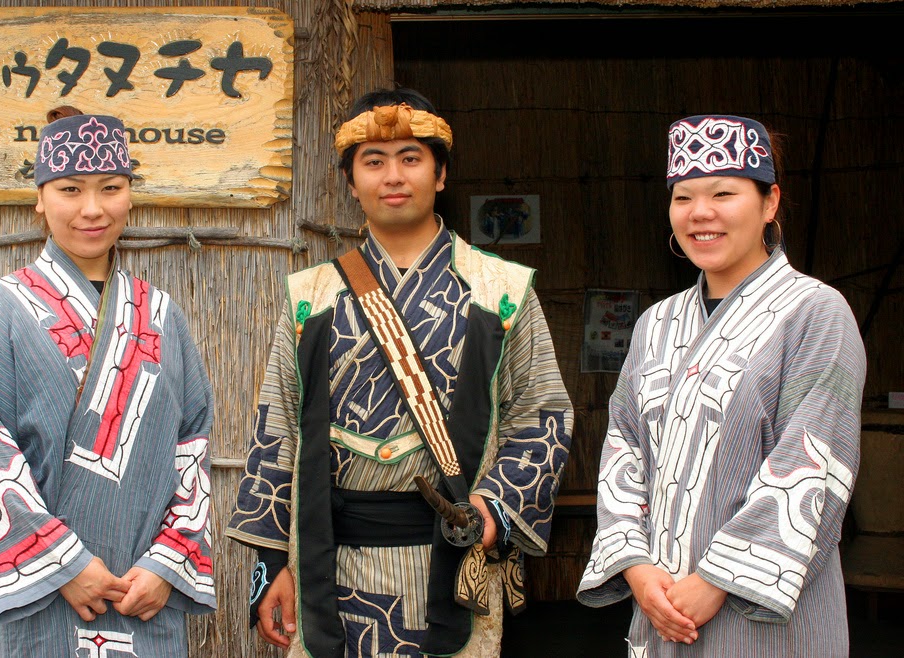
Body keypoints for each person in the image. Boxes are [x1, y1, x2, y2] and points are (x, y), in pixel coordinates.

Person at [226, 87, 574, 657]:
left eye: (411, 158)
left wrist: (496, 508)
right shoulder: (309, 297)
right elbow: (278, 430)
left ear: (440, 175)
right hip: (331, 565)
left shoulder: (501, 293)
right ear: (350, 180)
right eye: (374, 161)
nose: (393, 175)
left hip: (454, 554)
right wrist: (271, 566)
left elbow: (541, 417)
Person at [576, 114, 866, 656]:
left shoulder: (815, 313)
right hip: (660, 611)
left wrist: (716, 580)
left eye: (724, 193)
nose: (701, 213)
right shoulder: (656, 324)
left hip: (766, 622)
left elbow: (815, 461)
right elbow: (623, 446)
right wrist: (638, 570)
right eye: (683, 197)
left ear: (770, 202)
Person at [0, 106, 217, 657]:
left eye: (110, 187)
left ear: (130, 194)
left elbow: (194, 449)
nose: (92, 209)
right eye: (70, 189)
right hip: (44, 599)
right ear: (40, 197)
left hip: (143, 597)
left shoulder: (162, 315)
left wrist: (165, 565)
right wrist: (63, 564)